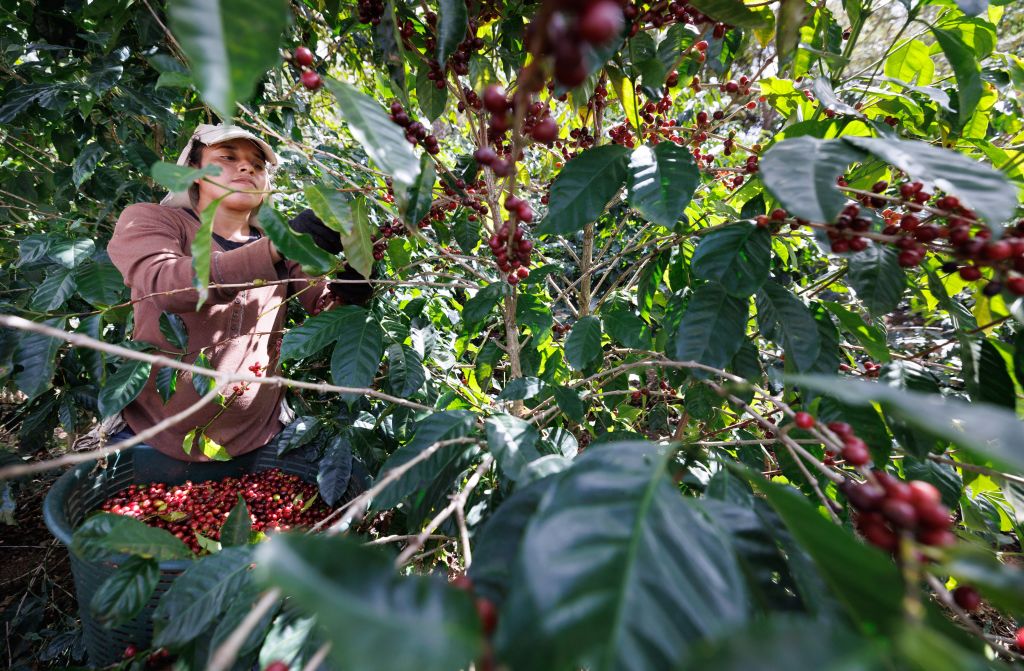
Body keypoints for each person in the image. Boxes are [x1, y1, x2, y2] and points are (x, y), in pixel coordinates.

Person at [106, 123, 367, 462]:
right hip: (152, 436)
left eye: (257, 165)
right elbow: (165, 283)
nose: (246, 168)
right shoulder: (152, 221)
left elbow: (328, 308)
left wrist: (357, 277)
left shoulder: (279, 248)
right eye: (227, 158)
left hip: (260, 438)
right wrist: (278, 248)